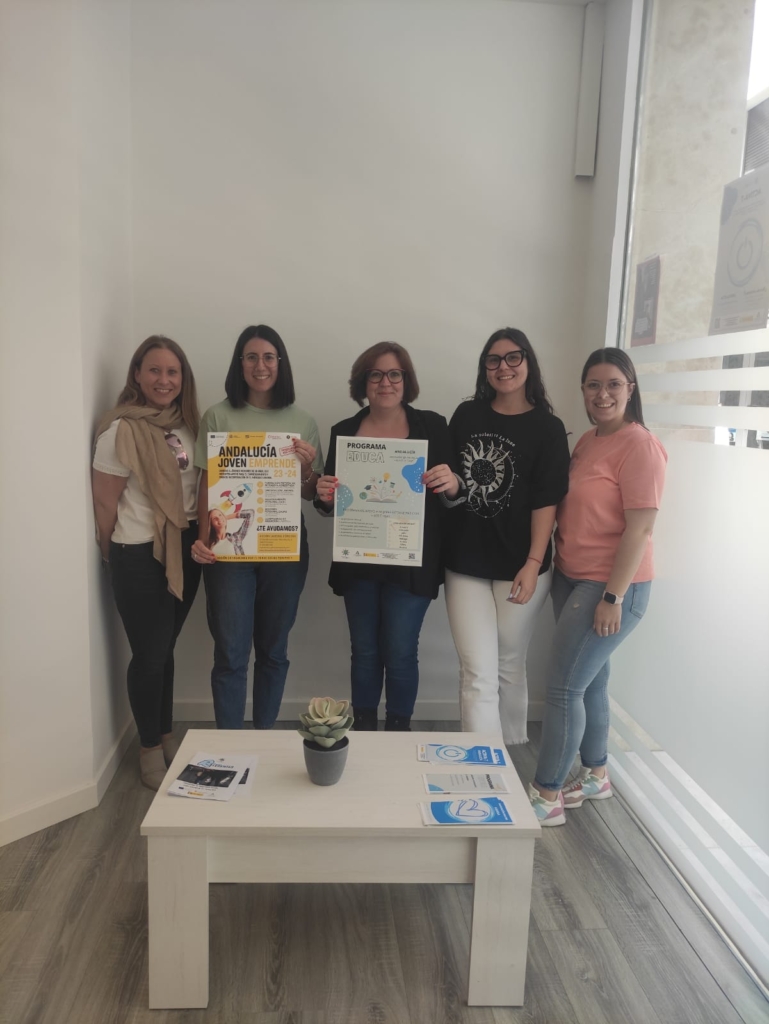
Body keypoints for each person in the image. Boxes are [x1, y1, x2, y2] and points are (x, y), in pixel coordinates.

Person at [529, 347, 667, 825]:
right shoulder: (589, 440)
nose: (602, 394)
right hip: (571, 575)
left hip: (609, 586)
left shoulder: (640, 445)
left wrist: (613, 597)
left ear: (630, 389)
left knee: (563, 688)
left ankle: (546, 795)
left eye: (613, 384)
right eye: (593, 385)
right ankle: (596, 774)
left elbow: (640, 529)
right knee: (591, 682)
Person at [315, 342, 456, 731]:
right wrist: (324, 496)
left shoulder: (433, 427)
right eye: (375, 374)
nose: (385, 382)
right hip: (359, 560)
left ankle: (398, 731)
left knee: (400, 651)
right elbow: (333, 504)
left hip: (411, 562)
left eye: (395, 374)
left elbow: (452, 496)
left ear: (406, 380)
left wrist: (453, 483)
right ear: (363, 382)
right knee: (363, 651)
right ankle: (363, 729)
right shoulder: (344, 432)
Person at [442, 328, 570, 745]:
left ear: (528, 362)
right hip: (466, 563)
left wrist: (533, 563)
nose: (504, 367)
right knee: (477, 672)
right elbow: (454, 483)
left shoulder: (549, 428)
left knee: (510, 665)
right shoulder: (467, 415)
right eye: (493, 360)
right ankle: (483, 764)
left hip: (522, 565)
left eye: (513, 357)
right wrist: (449, 484)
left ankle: (511, 757)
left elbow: (547, 502)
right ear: (485, 368)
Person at [192, 325, 323, 730]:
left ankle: (264, 737)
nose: (260, 365)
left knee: (273, 650)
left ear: (280, 364)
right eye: (251, 357)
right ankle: (229, 746)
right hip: (228, 553)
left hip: (283, 550)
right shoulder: (217, 415)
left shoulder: (302, 421)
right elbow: (205, 483)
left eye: (268, 357)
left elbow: (309, 493)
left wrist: (306, 469)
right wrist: (202, 538)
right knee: (230, 653)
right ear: (240, 364)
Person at [92, 336, 202, 790]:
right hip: (138, 551)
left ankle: (166, 734)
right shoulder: (119, 431)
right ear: (137, 374)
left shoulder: (189, 426)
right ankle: (149, 749)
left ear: (182, 379)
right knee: (150, 654)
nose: (163, 380)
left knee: (164, 649)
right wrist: (111, 556)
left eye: (172, 371)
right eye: (154, 370)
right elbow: (105, 504)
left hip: (186, 548)